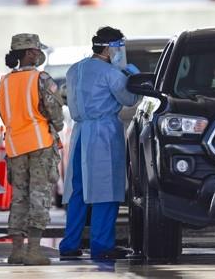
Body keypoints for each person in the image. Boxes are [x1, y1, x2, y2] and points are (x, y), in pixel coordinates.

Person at [59, 27, 140, 259]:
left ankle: (70, 245)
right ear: (107, 48)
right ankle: (102, 246)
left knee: (78, 191)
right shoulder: (111, 73)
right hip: (103, 133)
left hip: (80, 133)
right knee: (106, 190)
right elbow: (129, 99)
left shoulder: (75, 70)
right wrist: (130, 75)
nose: (120, 52)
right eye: (118, 48)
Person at [0, 33, 64, 265]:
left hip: (15, 146)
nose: (38, 54)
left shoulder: (4, 81)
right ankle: (33, 251)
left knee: (19, 197)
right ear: (29, 52)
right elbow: (55, 110)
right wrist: (58, 126)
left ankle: (16, 251)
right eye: (36, 50)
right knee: (39, 195)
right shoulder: (40, 78)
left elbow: (4, 114)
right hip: (39, 144)